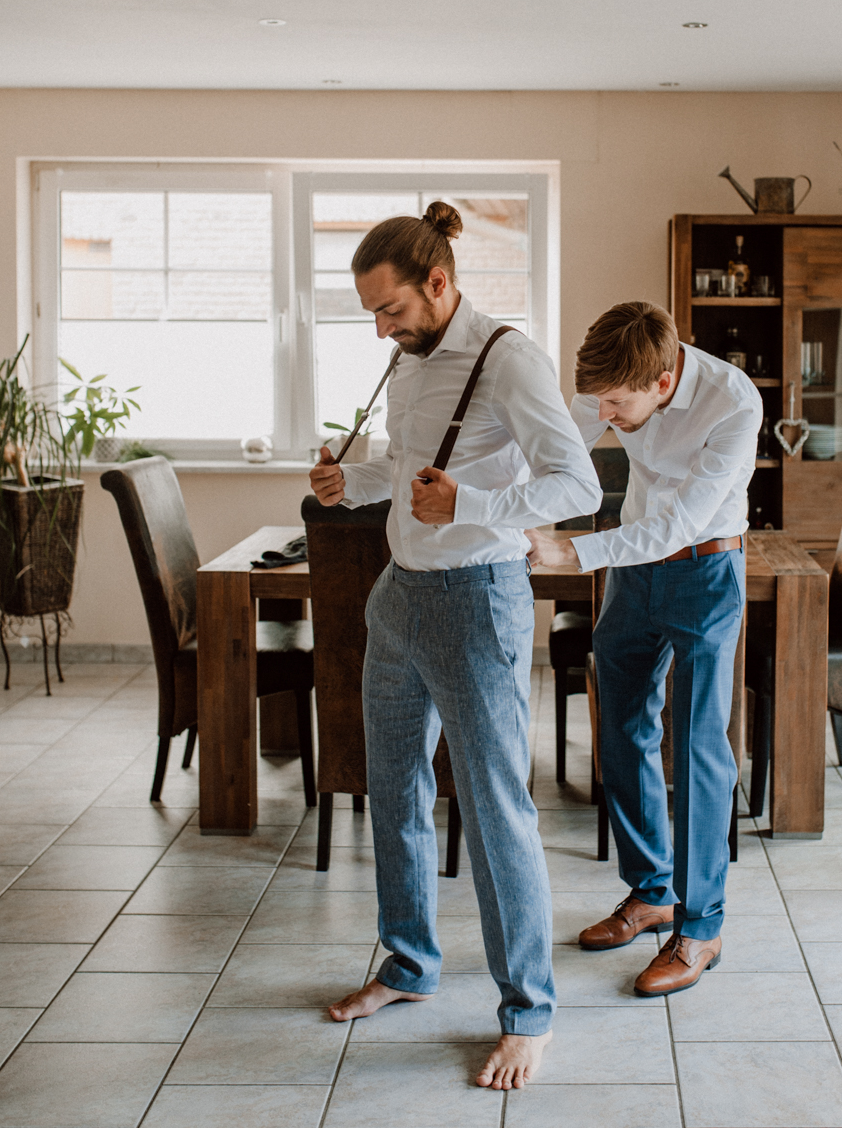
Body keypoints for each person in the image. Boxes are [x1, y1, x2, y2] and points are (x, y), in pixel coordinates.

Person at [309, 201, 601, 1090]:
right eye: (370, 313)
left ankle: (529, 1012)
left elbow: (576, 480)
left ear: (439, 283)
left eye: (390, 309)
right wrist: (348, 480)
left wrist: (468, 505)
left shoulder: (507, 357)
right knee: (391, 787)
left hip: (477, 600)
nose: (381, 329)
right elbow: (409, 470)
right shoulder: (406, 359)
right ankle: (408, 965)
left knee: (494, 805)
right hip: (398, 595)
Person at [526, 301, 761, 998]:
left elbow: (683, 522)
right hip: (635, 572)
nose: (605, 413)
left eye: (617, 404)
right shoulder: (611, 379)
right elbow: (554, 450)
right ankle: (651, 889)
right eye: (597, 399)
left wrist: (575, 549)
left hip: (706, 567)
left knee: (695, 744)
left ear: (662, 382)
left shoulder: (733, 404)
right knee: (621, 726)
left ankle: (702, 924)